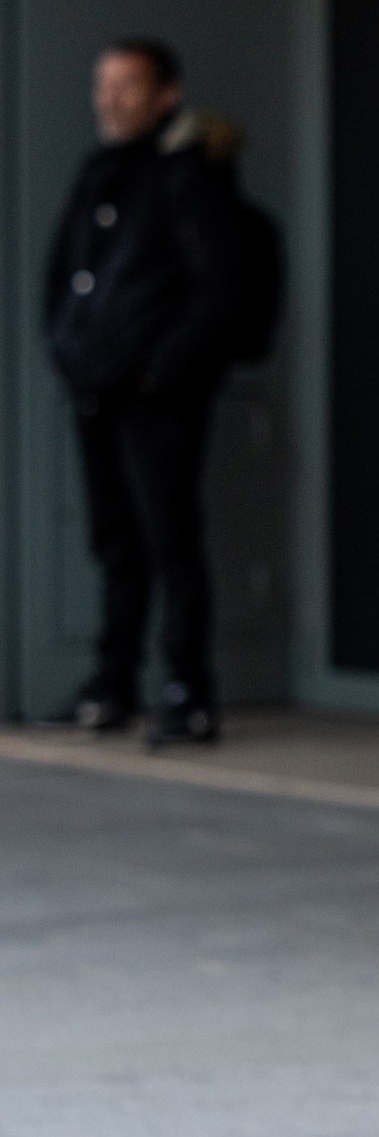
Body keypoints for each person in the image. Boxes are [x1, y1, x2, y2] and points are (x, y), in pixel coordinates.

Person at [40, 39, 245, 744]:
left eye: (127, 85)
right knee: (113, 542)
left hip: (158, 399)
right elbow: (64, 275)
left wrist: (158, 372)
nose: (110, 98)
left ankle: (188, 693)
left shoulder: (190, 178)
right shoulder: (99, 172)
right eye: (104, 84)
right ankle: (112, 687)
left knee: (170, 541)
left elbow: (217, 293)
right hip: (95, 390)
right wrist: (67, 350)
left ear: (165, 94)